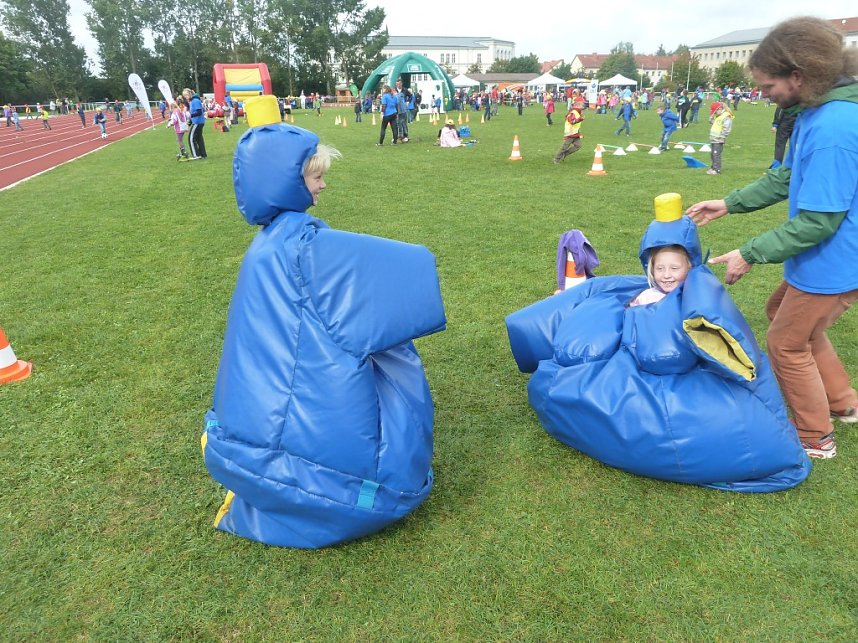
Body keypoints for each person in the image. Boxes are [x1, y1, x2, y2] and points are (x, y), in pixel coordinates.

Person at [201, 95, 445, 548]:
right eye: (316, 177)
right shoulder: (304, 243)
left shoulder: (269, 241)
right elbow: (399, 272)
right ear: (286, 182)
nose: (323, 186)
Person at [506, 193, 810, 491]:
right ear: (650, 267)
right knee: (576, 357)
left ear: (689, 266)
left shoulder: (697, 295)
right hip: (628, 355)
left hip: (671, 369)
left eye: (674, 268)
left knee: (570, 380)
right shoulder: (639, 291)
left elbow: (667, 350)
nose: (666, 275)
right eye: (659, 268)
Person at [687, 16, 858, 459]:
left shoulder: (834, 128)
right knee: (780, 312)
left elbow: (819, 222)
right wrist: (729, 203)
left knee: (785, 344)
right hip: (826, 259)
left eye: (767, 86)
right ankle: (843, 402)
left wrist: (750, 252)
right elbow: (786, 177)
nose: (763, 95)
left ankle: (814, 437)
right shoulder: (814, 113)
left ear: (798, 76)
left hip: (836, 261)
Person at [553, 99, 585, 164]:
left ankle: (565, 154)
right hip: (570, 133)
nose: (583, 106)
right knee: (564, 147)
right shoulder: (573, 112)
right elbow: (572, 121)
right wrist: (580, 119)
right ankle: (556, 159)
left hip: (575, 133)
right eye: (582, 105)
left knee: (578, 146)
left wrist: (581, 117)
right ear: (577, 106)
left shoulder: (577, 112)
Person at [706, 101, 732, 175]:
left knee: (716, 154)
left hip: (718, 140)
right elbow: (710, 121)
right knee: (712, 155)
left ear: (720, 109)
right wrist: (712, 115)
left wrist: (722, 137)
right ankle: (713, 167)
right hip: (713, 139)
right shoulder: (718, 116)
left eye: (715, 111)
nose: (714, 113)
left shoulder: (726, 117)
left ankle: (717, 169)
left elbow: (726, 128)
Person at [183, 87, 207, 159]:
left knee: (191, 138)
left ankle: (196, 155)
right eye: (184, 96)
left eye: (186, 95)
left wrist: (190, 115)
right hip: (198, 121)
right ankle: (203, 154)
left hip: (197, 122)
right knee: (199, 138)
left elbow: (199, 112)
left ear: (190, 94)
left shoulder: (195, 101)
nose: (186, 97)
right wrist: (189, 122)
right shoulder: (193, 101)